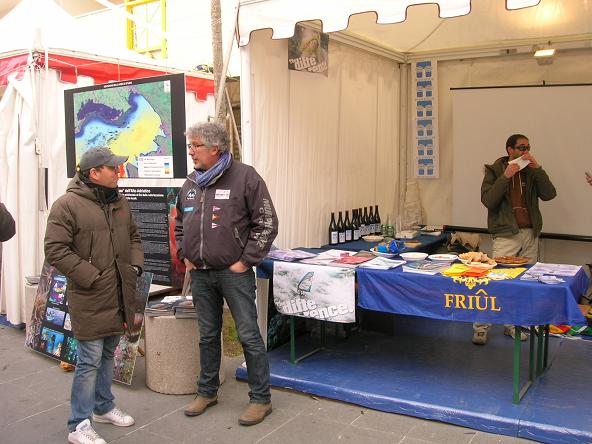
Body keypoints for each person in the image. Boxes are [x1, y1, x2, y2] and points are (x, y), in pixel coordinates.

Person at [176, 122, 278, 426]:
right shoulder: (191, 183)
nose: (191, 152)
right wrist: (186, 255)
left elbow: (267, 223)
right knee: (208, 335)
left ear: (215, 148)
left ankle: (261, 399)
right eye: (190, 146)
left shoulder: (246, 177)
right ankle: (207, 391)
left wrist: (246, 262)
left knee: (248, 335)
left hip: (234, 274)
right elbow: (180, 223)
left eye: (196, 146)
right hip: (202, 275)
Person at [44, 147, 143, 444]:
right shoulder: (67, 205)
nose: (118, 172)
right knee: (88, 361)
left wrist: (135, 266)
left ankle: (103, 406)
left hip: (119, 293)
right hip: (90, 295)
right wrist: (90, 276)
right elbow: (55, 249)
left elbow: (134, 236)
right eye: (112, 168)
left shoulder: (120, 202)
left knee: (109, 353)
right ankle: (78, 424)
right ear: (94, 173)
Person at [473, 134, 556, 345]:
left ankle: (514, 325)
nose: (525, 151)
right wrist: (506, 176)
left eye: (528, 147)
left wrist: (537, 168)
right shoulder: (494, 170)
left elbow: (550, 194)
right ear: (509, 149)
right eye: (521, 147)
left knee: (524, 282)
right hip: (505, 234)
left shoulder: (531, 171)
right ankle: (481, 327)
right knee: (495, 281)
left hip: (530, 233)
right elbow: (489, 200)